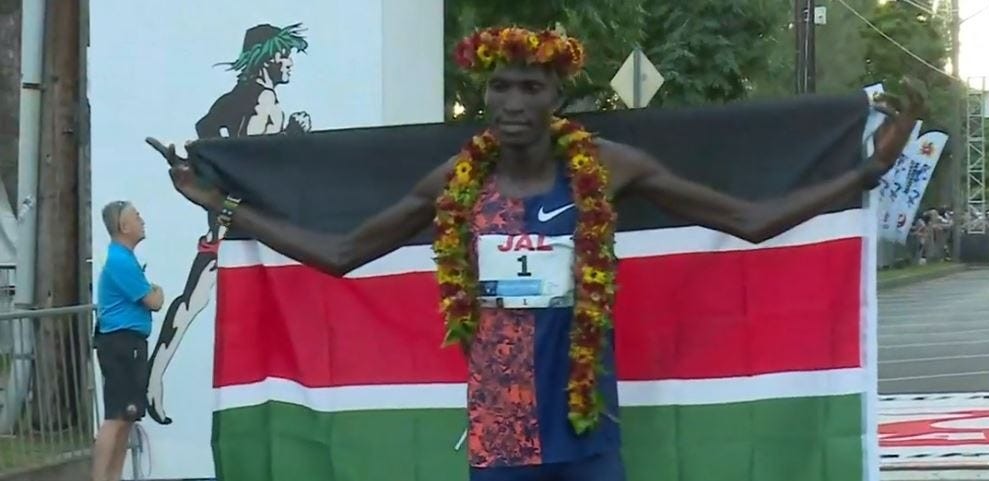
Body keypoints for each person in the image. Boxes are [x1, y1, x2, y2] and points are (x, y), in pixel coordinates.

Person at [146, 26, 924, 481]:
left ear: (557, 98)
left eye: (530, 89)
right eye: (501, 89)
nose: (513, 103)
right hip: (502, 428)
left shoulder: (607, 166)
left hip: (587, 426)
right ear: (485, 97)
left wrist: (867, 171)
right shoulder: (459, 179)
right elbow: (344, 251)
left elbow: (749, 219)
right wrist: (224, 206)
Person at [92, 200, 164, 481]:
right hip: (121, 344)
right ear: (123, 226)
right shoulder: (120, 261)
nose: (142, 220)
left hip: (128, 344)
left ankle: (113, 476)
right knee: (116, 417)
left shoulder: (125, 258)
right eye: (136, 216)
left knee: (127, 416)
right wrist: (157, 291)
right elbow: (153, 300)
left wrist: (153, 292)